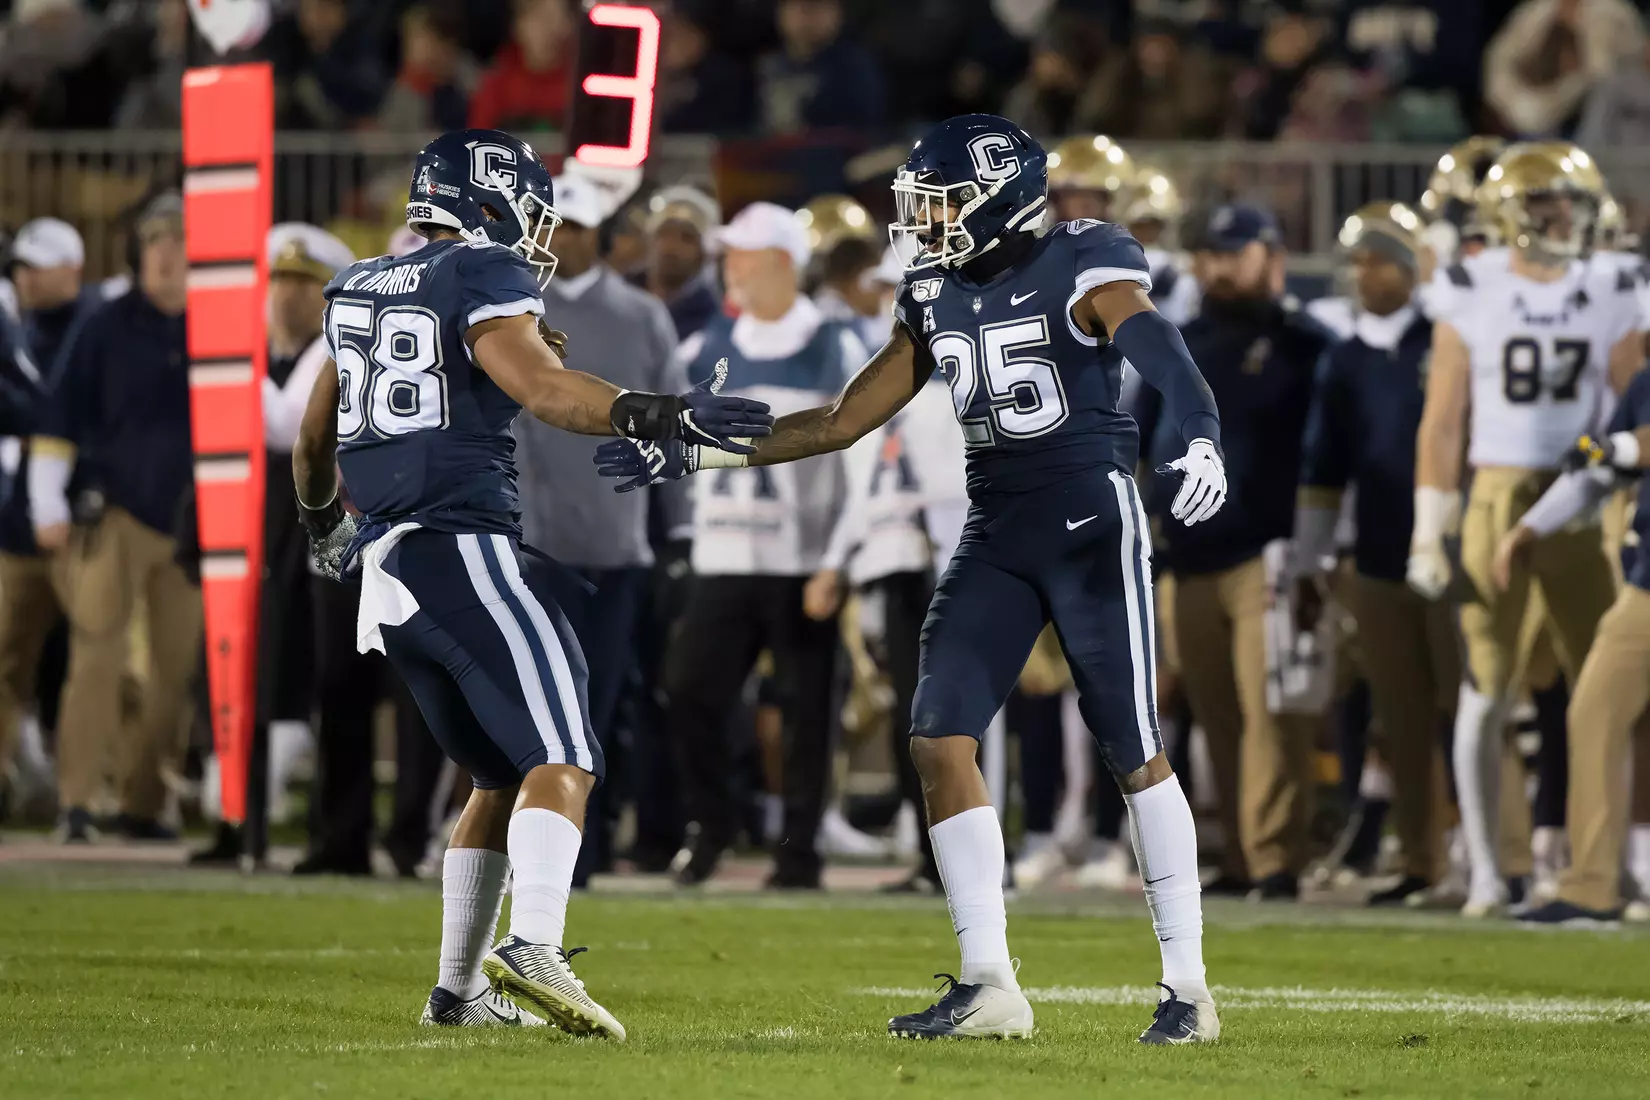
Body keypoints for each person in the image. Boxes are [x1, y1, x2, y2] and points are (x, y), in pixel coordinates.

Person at [596, 114, 1226, 1044]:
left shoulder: (1085, 255)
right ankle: (990, 983)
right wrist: (703, 451)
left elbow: (1161, 352)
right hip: (997, 525)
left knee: (1133, 747)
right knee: (937, 736)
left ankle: (1188, 988)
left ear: (1001, 199)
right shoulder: (932, 290)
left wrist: (1200, 431)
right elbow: (842, 421)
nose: (925, 222)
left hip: (1090, 516)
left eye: (941, 202)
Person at [290, 128, 768, 1034]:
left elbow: (316, 435)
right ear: (487, 202)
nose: (536, 232)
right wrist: (660, 413)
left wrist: (324, 528)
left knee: (497, 775)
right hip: (458, 550)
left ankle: (457, 994)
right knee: (565, 750)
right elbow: (545, 392)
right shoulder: (477, 273)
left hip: (389, 567)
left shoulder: (357, 281)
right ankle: (534, 942)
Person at [1410, 142, 1643, 917]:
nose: (1567, 216)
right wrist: (1428, 526)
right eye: (1552, 202)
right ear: (1512, 213)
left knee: (1607, 689)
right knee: (1486, 687)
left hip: (1588, 489)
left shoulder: (1613, 283)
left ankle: (1610, 861)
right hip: (1498, 488)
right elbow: (1443, 423)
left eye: (1575, 202)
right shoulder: (1470, 285)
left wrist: (1605, 487)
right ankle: (1488, 868)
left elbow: (1626, 408)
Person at [654, 202, 866, 891]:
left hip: (802, 563)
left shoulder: (837, 346)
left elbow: (863, 466)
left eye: (741, 256)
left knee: (808, 713)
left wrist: (837, 557)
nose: (728, 268)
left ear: (780, 262)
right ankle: (713, 825)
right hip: (723, 560)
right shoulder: (705, 345)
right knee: (688, 689)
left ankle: (799, 852)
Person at [1145, 202, 1330, 901]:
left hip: (1269, 551)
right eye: (1210, 253)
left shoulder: (1305, 345)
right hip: (1189, 553)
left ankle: (1277, 859)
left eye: (1233, 251)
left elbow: (1324, 452)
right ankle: (1244, 858)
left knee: (1270, 710)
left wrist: (1316, 550)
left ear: (1270, 255)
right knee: (1215, 711)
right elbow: (1138, 440)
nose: (1217, 266)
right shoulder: (1177, 340)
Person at [511, 172, 684, 884]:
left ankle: (592, 847)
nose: (563, 239)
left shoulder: (643, 316)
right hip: (528, 544)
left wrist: (680, 530)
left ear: (600, 234)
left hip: (616, 543)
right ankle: (533, 851)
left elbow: (676, 423)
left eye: (576, 227)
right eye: (554, 227)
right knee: (530, 706)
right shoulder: (510, 312)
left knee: (604, 701)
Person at [1291, 203, 1454, 906]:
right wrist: (1309, 562)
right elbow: (1323, 470)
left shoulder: (1447, 339)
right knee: (1404, 716)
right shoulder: (1346, 357)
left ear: (1410, 265)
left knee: (1469, 709)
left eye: (1377, 260)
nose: (1364, 274)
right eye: (1356, 262)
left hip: (1452, 554)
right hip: (1378, 556)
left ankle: (1490, 858)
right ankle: (1424, 861)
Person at [32, 194, 200, 843]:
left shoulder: (218, 325)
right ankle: (77, 800)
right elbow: (60, 414)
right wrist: (47, 500)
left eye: (180, 243)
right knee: (95, 658)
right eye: (156, 242)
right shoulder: (103, 323)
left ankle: (143, 800)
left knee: (174, 673)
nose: (166, 254)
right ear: (139, 252)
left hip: (192, 524)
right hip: (117, 515)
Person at [1496, 401, 1650, 922]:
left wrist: (1622, 445)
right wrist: (1530, 527)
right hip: (1645, 589)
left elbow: (1618, 449)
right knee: (1595, 712)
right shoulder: (1644, 383)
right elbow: (1595, 468)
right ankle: (1592, 885)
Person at [0, 218, 99, 806]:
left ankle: (98, 791)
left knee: (100, 656)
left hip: (84, 520)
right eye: (20, 267)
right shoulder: (21, 329)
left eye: (36, 265)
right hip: (16, 525)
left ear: (72, 268)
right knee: (8, 656)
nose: (24, 276)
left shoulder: (93, 327)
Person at [632, 186, 721, 340]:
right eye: (664, 234)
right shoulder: (618, 295)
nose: (671, 247)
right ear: (649, 240)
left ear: (703, 253)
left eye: (686, 238)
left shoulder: (712, 318)